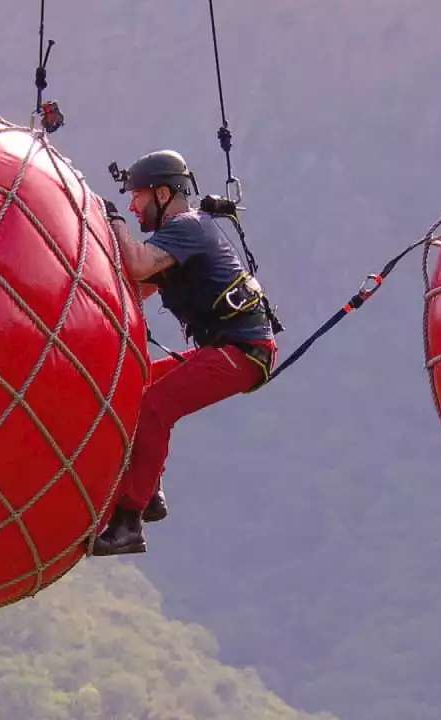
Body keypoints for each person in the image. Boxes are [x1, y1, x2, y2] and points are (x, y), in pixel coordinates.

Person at [90, 149, 280, 556]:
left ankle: (128, 523)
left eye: (136, 196)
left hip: (243, 350)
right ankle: (150, 491)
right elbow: (136, 289)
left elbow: (138, 266)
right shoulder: (174, 241)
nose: (131, 205)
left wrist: (115, 225)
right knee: (136, 384)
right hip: (227, 348)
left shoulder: (188, 226)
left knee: (155, 405)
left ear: (162, 193)